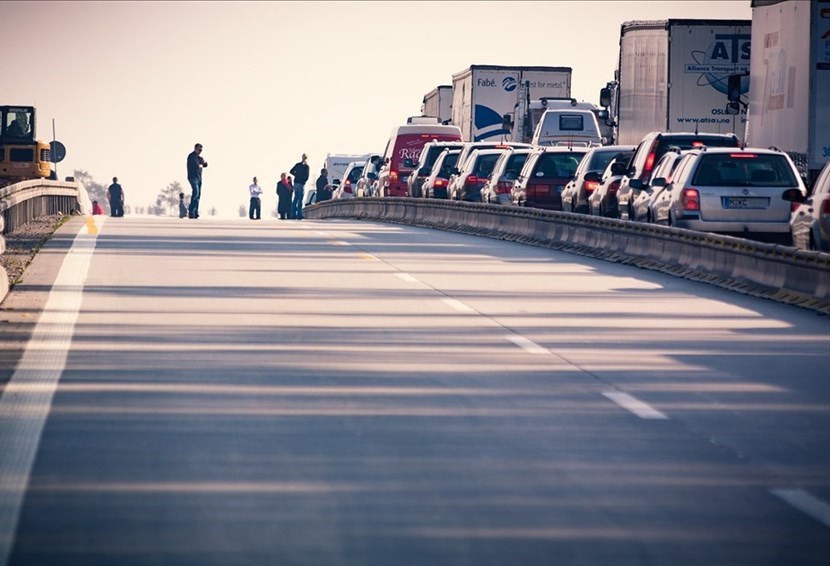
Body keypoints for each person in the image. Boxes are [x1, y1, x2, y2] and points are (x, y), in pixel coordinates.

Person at [186, 143, 208, 219]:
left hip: (199, 178)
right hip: (192, 178)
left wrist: (203, 163)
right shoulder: (191, 156)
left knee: (198, 196)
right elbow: (196, 166)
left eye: (201, 150)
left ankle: (195, 212)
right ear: (195, 148)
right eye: (199, 149)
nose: (200, 151)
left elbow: (206, 164)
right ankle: (191, 211)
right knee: (196, 192)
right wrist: (201, 164)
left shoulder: (199, 158)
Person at [289, 153, 310, 220]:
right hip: (301, 183)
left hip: (296, 182)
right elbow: (307, 176)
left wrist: (296, 175)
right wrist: (303, 179)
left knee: (295, 198)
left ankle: (292, 214)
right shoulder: (306, 166)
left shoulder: (297, 165)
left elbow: (291, 171)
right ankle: (299, 214)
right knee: (300, 199)